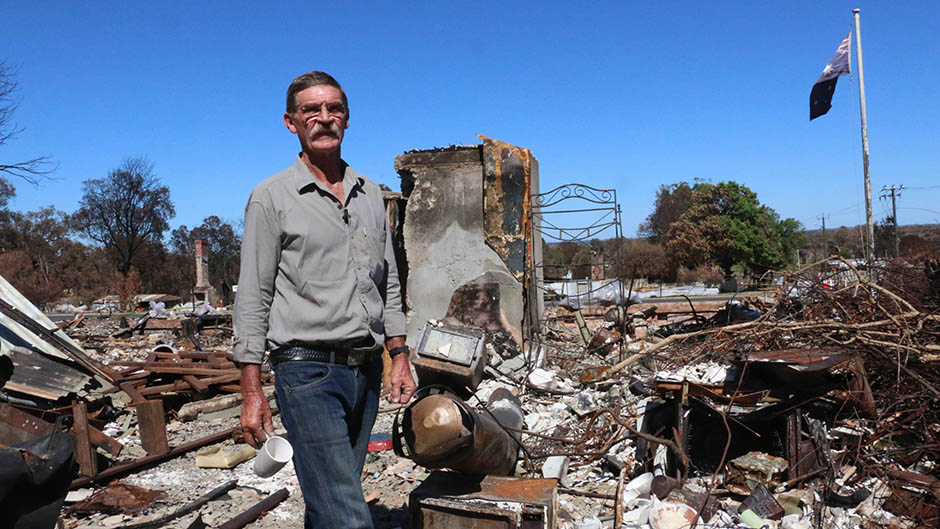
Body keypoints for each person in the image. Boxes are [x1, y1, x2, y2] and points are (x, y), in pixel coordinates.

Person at [234, 71, 416, 528]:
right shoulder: (271, 198)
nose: (323, 118)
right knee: (346, 513)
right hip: (306, 370)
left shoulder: (371, 195)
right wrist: (251, 389)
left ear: (347, 120)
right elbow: (253, 295)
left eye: (333, 109)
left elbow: (388, 281)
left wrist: (400, 355)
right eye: (311, 110)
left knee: (333, 499)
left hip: (366, 370)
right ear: (290, 122)